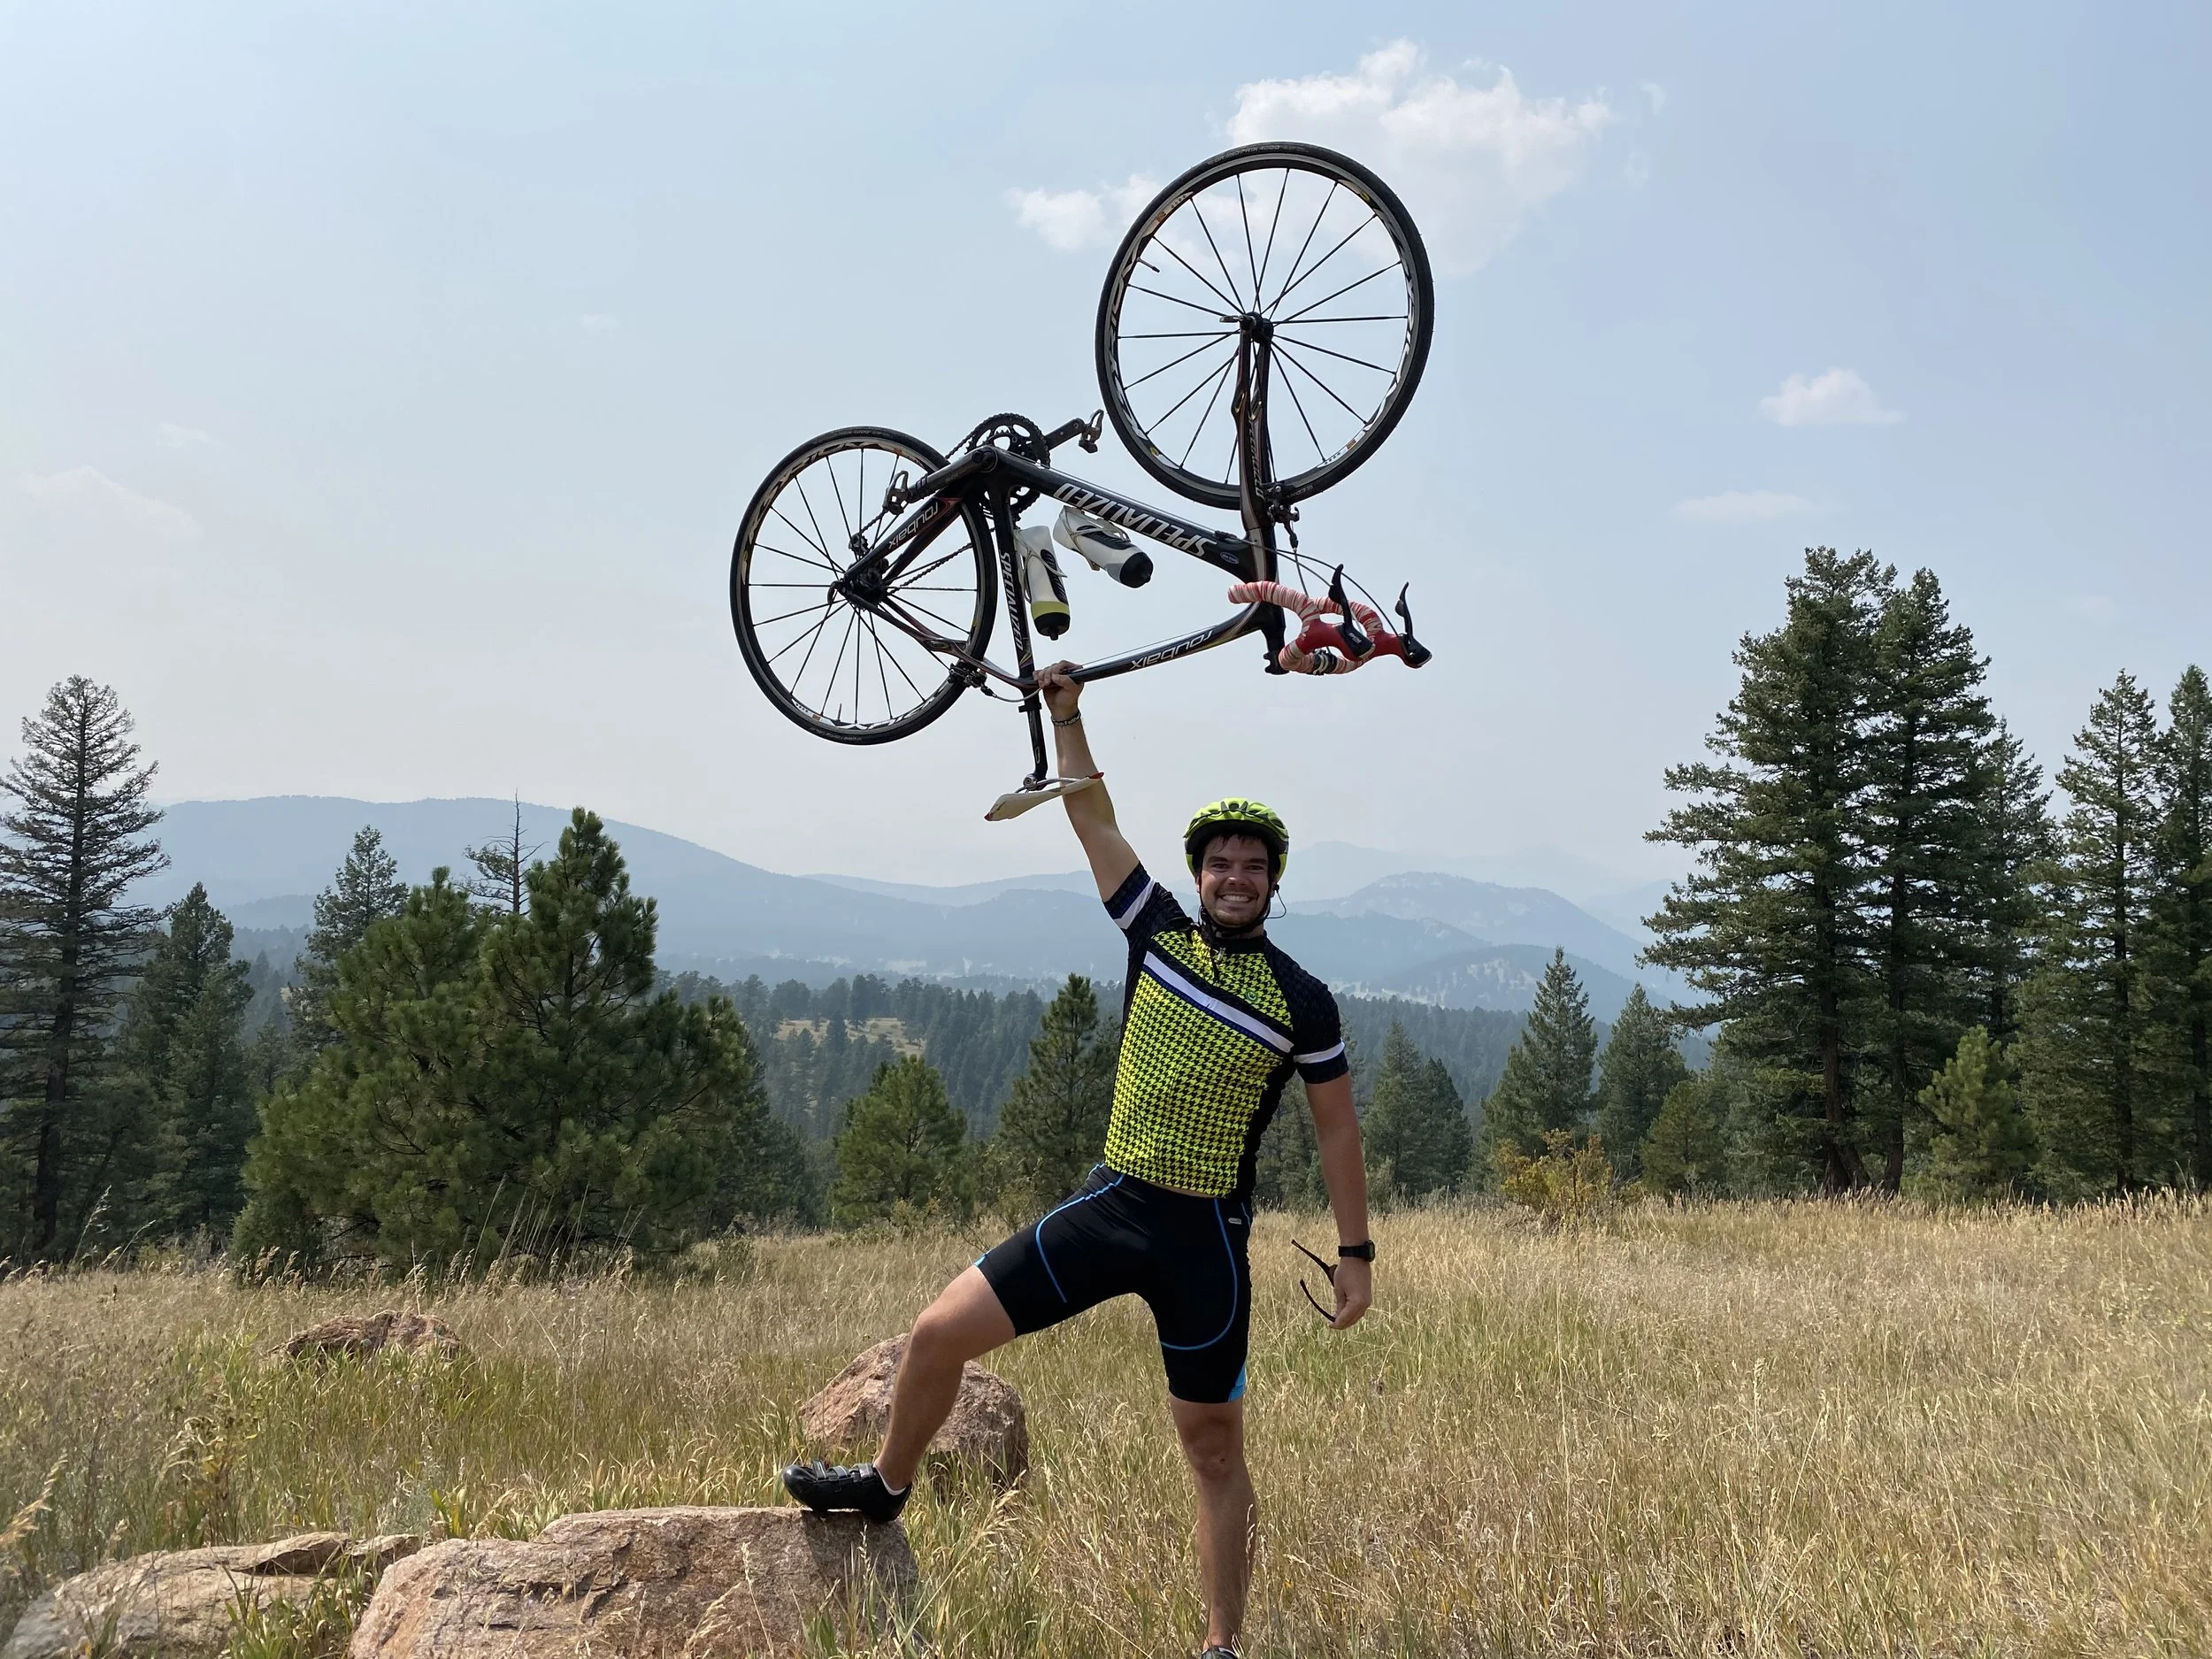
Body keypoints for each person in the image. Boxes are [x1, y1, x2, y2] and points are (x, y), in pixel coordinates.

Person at [781, 663, 1374, 1659]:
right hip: (1112, 1208)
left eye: (1252, 866)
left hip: (1204, 1240)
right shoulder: (1158, 935)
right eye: (1219, 864)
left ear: (1275, 881)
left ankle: (1220, 1645)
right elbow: (1091, 816)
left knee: (1212, 1449)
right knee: (936, 1333)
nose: (1234, 878)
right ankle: (885, 1487)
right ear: (1198, 875)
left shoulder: (1302, 1001)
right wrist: (1067, 713)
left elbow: (1338, 1131)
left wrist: (1355, 1254)